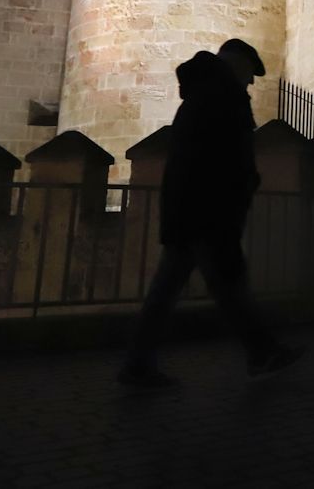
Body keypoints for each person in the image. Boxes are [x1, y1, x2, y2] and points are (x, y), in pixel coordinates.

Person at [118, 38, 303, 387]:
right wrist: (243, 185)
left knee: (170, 291)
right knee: (229, 285)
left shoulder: (202, 93)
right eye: (250, 73)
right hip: (209, 213)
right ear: (236, 64)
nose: (251, 82)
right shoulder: (223, 97)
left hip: (190, 210)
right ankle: (262, 353)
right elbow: (224, 158)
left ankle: (137, 364)